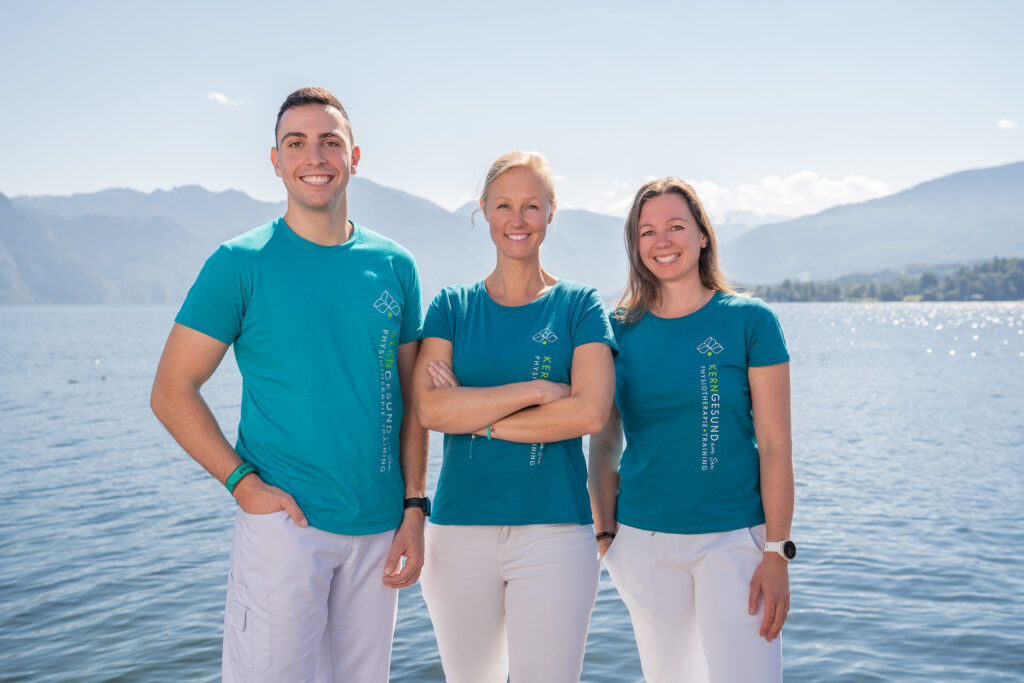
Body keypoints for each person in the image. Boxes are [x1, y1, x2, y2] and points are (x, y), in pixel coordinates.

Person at [149, 87, 428, 683]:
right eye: (296, 143)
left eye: (330, 142)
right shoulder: (240, 262)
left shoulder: (396, 266)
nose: (315, 157)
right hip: (285, 527)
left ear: (354, 155)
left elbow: (411, 404)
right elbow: (172, 389)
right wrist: (241, 483)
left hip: (378, 530)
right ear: (275, 161)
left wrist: (413, 508)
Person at [413, 151, 617, 683]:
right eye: (504, 205)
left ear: (552, 212)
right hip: (458, 534)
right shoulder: (451, 307)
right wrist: (537, 391)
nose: (518, 220)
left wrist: (476, 415)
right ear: (483, 210)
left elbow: (591, 412)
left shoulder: (580, 306)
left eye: (531, 206)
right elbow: (432, 407)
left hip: (555, 532)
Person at [589, 178, 795, 683]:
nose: (662, 241)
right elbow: (603, 442)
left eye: (676, 226)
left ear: (702, 235)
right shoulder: (617, 329)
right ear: (635, 246)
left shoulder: (751, 321)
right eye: (647, 232)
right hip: (642, 543)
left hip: (734, 543)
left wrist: (776, 551)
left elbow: (775, 445)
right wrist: (605, 532)